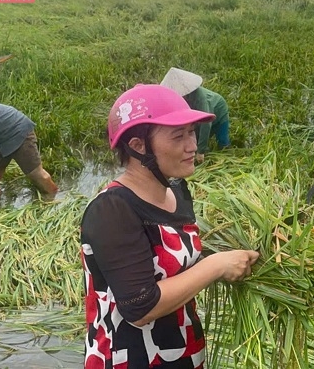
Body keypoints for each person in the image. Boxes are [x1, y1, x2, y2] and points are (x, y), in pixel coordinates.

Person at [81, 84, 259, 368]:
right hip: (133, 358)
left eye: (192, 132)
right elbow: (140, 307)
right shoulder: (113, 210)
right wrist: (216, 266)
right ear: (138, 146)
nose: (192, 145)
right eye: (178, 136)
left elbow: (175, 260)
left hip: (183, 348)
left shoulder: (176, 191)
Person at [161, 67, 230, 164]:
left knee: (222, 140)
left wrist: (201, 152)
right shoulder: (177, 98)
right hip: (199, 114)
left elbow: (206, 124)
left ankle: (226, 160)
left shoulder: (200, 97)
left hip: (218, 110)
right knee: (195, 138)